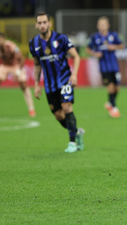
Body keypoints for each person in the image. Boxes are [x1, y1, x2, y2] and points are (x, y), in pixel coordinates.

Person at [29, 12, 84, 153]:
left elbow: (76, 56)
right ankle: (76, 132)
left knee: (67, 107)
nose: (42, 25)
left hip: (65, 80)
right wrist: (36, 84)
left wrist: (74, 75)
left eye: (44, 22)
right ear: (36, 25)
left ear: (49, 23)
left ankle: (72, 143)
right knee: (59, 115)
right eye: (39, 23)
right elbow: (36, 65)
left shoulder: (61, 39)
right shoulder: (34, 43)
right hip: (49, 85)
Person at [86, 16, 124, 118]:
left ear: (108, 25)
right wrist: (95, 54)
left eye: (104, 24)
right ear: (98, 26)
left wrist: (114, 47)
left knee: (117, 88)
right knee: (110, 87)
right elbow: (87, 49)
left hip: (114, 66)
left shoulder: (113, 35)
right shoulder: (94, 37)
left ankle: (109, 103)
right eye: (100, 24)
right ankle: (114, 108)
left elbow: (122, 45)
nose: (102, 26)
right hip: (103, 67)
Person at [0, 32, 36, 117]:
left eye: (0, 40)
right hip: (4, 65)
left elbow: (21, 58)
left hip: (15, 65)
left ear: (4, 39)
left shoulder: (11, 46)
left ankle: (31, 109)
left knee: (23, 85)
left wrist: (19, 70)